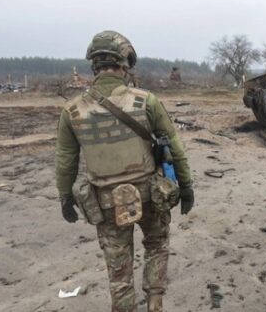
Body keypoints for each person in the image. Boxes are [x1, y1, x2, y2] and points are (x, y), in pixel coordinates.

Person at [55, 30, 194, 312]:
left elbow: (65, 162)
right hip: (151, 196)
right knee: (156, 245)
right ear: (125, 63)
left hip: (105, 203)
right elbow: (175, 149)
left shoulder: (72, 110)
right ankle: (155, 302)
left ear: (93, 65)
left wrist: (64, 198)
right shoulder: (146, 101)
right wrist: (187, 186)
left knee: (118, 269)